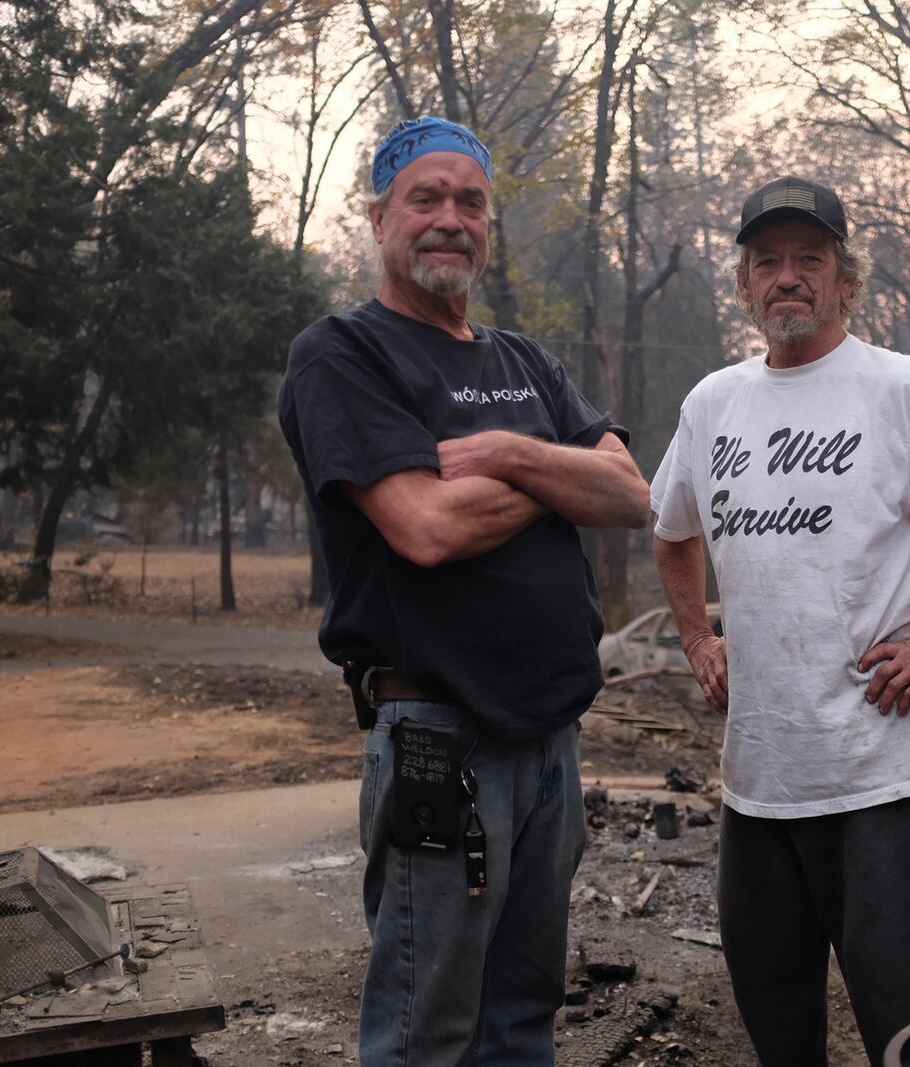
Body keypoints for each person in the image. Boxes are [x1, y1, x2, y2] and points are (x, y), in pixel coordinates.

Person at [649, 176, 910, 1065]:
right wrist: (695, 636)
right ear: (746, 285)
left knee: (909, 1040)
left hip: (873, 779)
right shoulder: (712, 404)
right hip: (755, 782)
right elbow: (670, 530)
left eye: (810, 259)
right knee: (779, 1035)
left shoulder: (900, 390)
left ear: (845, 279)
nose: (788, 277)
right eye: (768, 262)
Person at [278, 116, 650, 1067]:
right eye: (426, 198)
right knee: (425, 1030)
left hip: (551, 737)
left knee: (524, 1013)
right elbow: (427, 528)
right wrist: (560, 471)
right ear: (379, 218)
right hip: (439, 738)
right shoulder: (344, 354)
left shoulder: (524, 361)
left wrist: (511, 454)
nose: (450, 220)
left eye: (470, 202)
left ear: (490, 224)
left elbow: (630, 493)